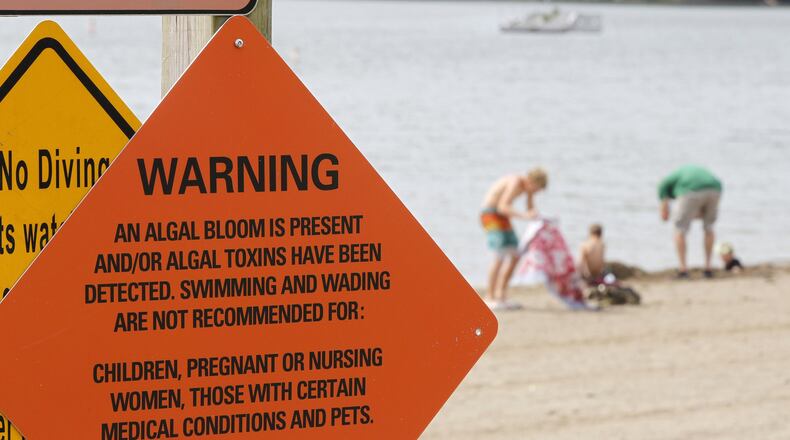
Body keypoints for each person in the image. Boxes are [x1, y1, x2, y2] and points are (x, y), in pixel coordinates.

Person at [480, 168, 548, 310]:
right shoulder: (515, 181)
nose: (536, 192)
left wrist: (531, 200)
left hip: (502, 217)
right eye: (536, 189)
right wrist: (525, 216)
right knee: (500, 255)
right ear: (532, 181)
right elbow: (502, 206)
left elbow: (530, 209)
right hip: (491, 214)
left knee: (515, 254)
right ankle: (489, 296)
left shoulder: (526, 187)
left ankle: (501, 295)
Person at [658, 165, 722, 278]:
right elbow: (699, 213)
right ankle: (708, 269)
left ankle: (683, 270)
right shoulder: (687, 173)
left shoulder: (664, 186)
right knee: (709, 227)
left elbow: (664, 212)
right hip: (715, 188)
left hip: (691, 190)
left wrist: (665, 210)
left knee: (679, 229)